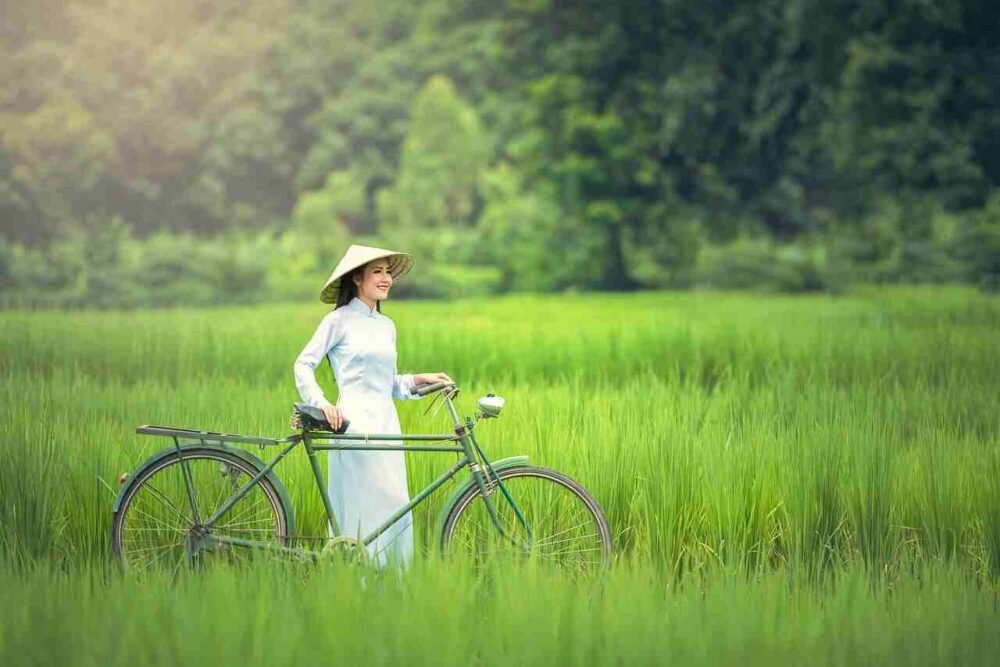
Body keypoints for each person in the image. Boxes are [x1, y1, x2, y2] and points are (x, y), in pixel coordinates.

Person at [293, 244, 452, 568]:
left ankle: (391, 589)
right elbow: (303, 364)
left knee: (395, 505)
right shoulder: (337, 321)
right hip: (353, 422)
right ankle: (354, 580)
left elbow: (389, 383)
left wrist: (420, 379)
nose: (386, 279)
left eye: (388, 272)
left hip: (386, 423)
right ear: (357, 278)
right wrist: (321, 404)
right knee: (363, 505)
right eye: (377, 271)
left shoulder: (386, 326)